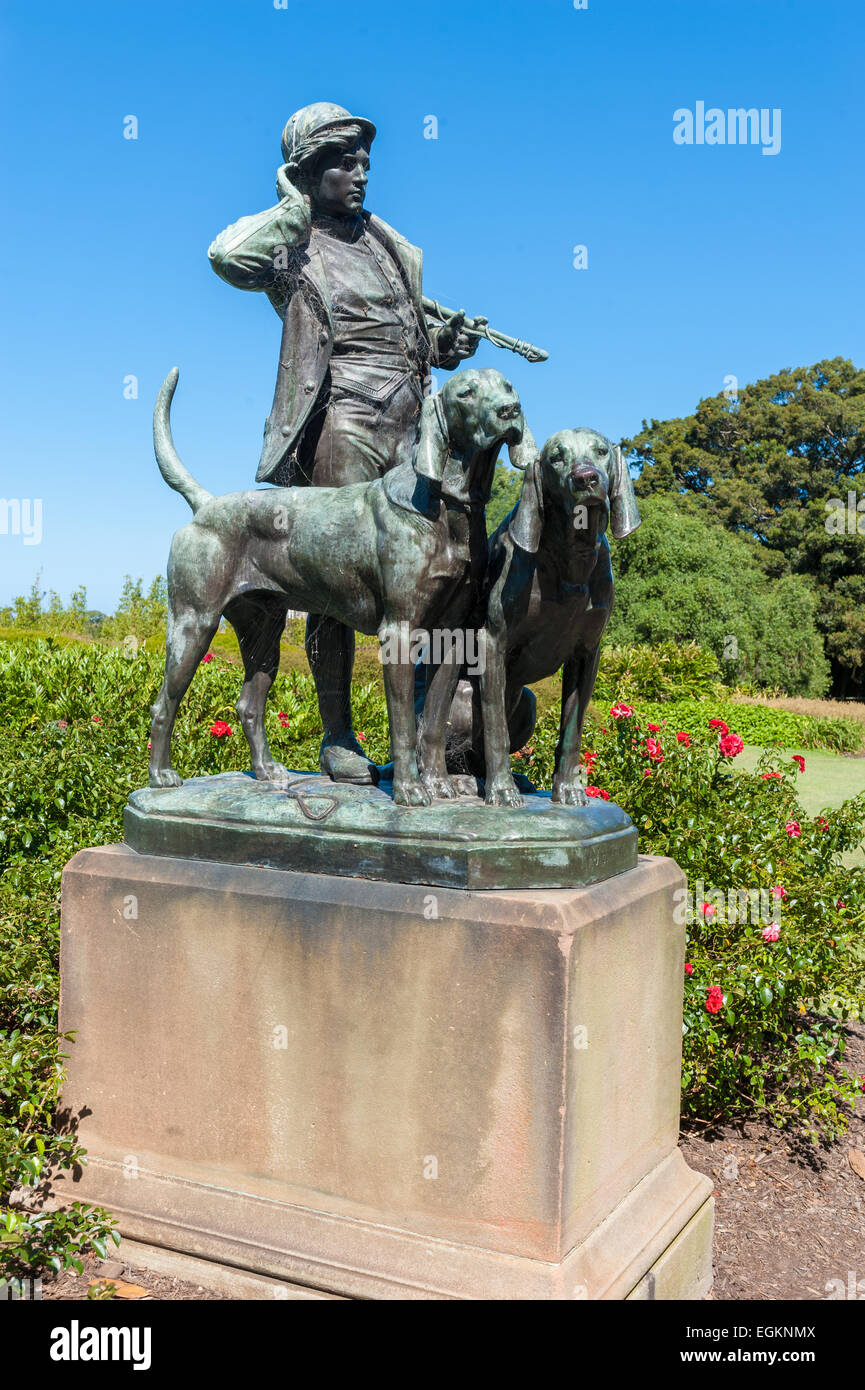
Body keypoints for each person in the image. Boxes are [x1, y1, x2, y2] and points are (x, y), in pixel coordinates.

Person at [209, 101, 481, 783]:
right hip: (343, 420)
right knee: (331, 577)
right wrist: (291, 206)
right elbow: (225, 258)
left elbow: (411, 338)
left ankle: (426, 725)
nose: (360, 173)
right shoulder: (290, 242)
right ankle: (338, 736)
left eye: (364, 161)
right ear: (307, 171)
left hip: (414, 426)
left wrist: (444, 345)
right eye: (342, 162)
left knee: (433, 571)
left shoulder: (390, 246)